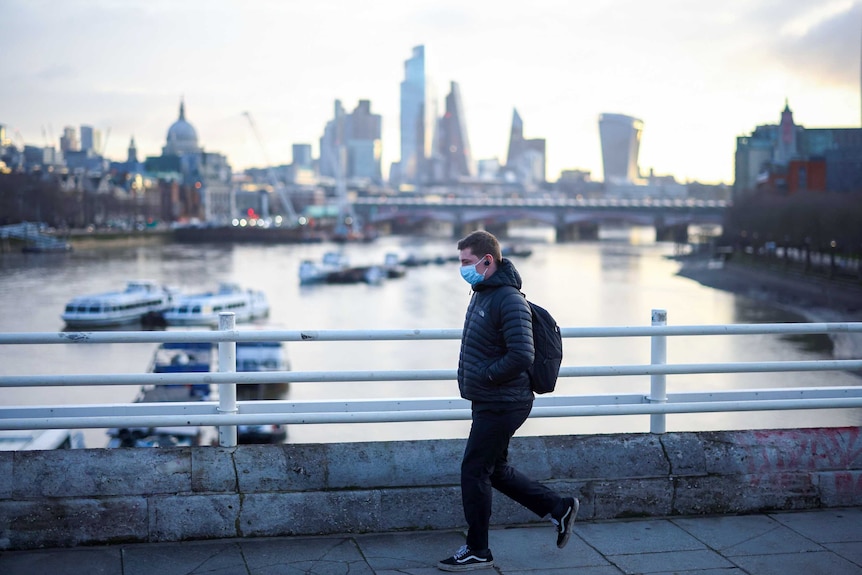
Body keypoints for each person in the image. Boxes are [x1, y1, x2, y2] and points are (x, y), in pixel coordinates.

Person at [437, 230, 579, 572]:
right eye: (461, 262)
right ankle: (560, 508)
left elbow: (521, 355)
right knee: (493, 469)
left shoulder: (507, 299)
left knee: (474, 470)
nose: (463, 269)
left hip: (504, 401)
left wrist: (486, 376)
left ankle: (478, 550)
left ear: (489, 261)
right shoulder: (482, 293)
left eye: (467, 262)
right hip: (489, 398)